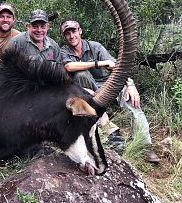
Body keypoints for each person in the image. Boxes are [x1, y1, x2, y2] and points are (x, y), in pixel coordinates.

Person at [60, 19, 160, 164]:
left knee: (132, 100)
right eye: (67, 33)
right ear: (64, 36)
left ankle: (144, 146)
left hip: (109, 85)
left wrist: (130, 84)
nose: (71, 36)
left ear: (80, 31)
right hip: (89, 92)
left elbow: (117, 67)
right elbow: (69, 67)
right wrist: (99, 63)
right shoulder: (64, 51)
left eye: (74, 31)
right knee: (81, 76)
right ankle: (110, 130)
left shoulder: (95, 47)